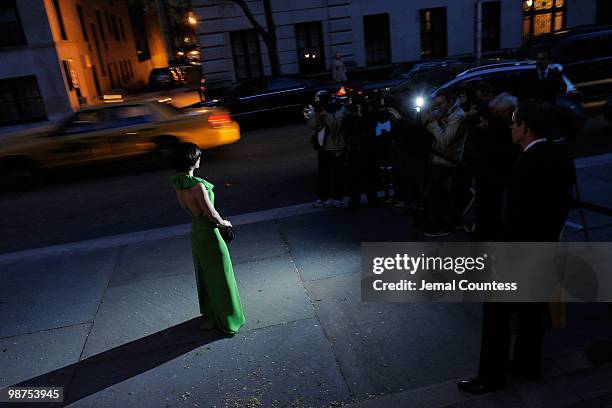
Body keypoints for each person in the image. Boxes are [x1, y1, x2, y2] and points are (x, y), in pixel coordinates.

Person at [458, 99, 576, 395]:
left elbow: (517, 216)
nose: (511, 126)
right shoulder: (560, 156)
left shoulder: (528, 163)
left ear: (525, 128)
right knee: (531, 312)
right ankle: (528, 365)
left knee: (496, 315)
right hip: (545, 246)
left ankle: (490, 376)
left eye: (514, 122)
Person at [169, 143, 245, 335]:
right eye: (198, 156)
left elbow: (189, 210)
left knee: (206, 275)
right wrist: (225, 223)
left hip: (197, 232)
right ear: (193, 161)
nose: (200, 159)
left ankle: (211, 312)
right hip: (211, 234)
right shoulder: (197, 186)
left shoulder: (178, 184)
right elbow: (211, 213)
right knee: (222, 276)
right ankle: (229, 318)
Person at [469, 81, 519, 241]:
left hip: (496, 165)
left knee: (492, 202)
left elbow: (502, 140)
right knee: (491, 202)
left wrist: (488, 126)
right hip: (491, 165)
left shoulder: (501, 114)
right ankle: (491, 230)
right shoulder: (498, 112)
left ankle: (491, 231)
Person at [421, 88, 467, 237]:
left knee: (433, 194)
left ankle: (440, 226)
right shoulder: (444, 111)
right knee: (442, 194)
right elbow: (424, 121)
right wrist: (426, 112)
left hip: (447, 160)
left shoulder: (457, 117)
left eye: (440, 104)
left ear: (450, 101)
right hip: (438, 158)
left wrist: (433, 124)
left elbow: (444, 141)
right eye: (436, 104)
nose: (438, 107)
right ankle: (452, 221)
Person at [306, 90, 347, 208]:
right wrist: (317, 112)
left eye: (322, 99)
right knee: (324, 175)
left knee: (337, 174)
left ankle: (338, 198)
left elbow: (335, 126)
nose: (320, 102)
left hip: (335, 148)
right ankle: (322, 198)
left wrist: (325, 113)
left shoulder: (338, 108)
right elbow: (312, 125)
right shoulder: (317, 109)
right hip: (322, 147)